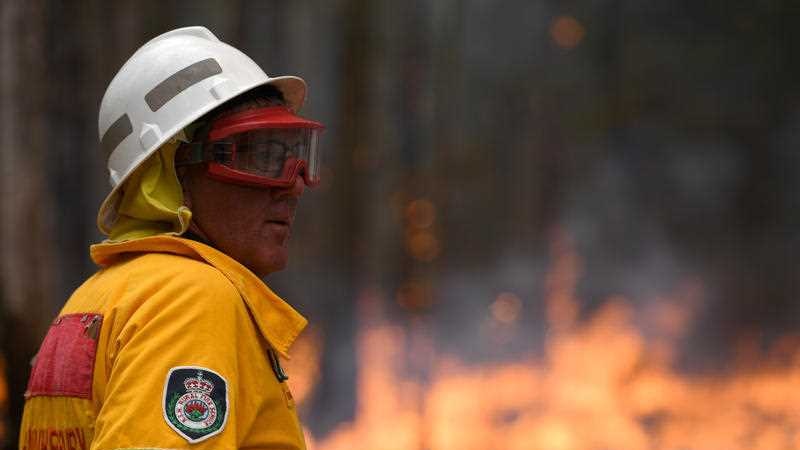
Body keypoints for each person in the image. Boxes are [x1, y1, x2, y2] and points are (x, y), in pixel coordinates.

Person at [19, 26, 323, 450]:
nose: (293, 185)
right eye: (260, 156)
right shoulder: (193, 299)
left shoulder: (94, 302)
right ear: (168, 172)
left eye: (297, 156)